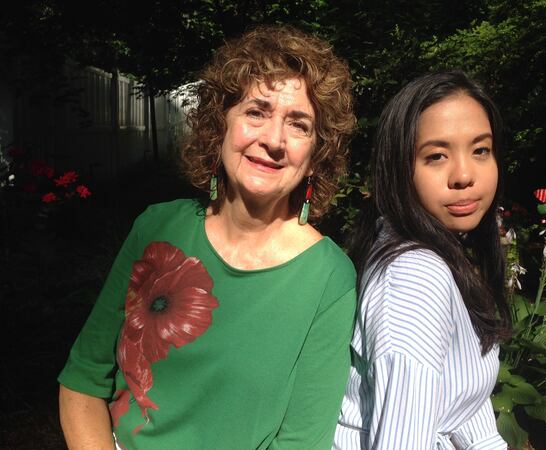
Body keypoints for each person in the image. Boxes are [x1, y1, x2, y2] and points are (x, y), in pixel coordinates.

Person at [58, 25, 357, 450]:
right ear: (220, 126)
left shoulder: (329, 278)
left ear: (315, 156)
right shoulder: (156, 230)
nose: (273, 140)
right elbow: (82, 380)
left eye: (299, 124)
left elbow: (301, 442)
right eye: (256, 111)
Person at [333, 71, 511, 449]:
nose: (464, 175)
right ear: (399, 169)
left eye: (480, 150)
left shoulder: (429, 249)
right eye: (436, 156)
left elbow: (463, 404)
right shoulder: (415, 275)